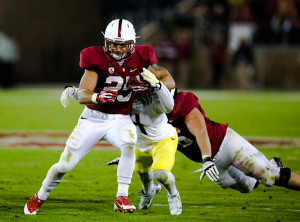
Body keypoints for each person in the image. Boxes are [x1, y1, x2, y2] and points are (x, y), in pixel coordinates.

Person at [24, 18, 175, 215]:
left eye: (123, 45)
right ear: (106, 42)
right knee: (65, 164)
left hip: (121, 118)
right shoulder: (95, 58)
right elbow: (83, 94)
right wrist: (98, 96)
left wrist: (153, 84)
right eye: (114, 44)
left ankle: (121, 196)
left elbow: (167, 79)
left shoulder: (142, 57)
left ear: (132, 44)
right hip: (94, 118)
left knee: (130, 143)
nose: (119, 49)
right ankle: (40, 196)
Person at [107, 89, 300, 193]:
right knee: (246, 187)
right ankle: (266, 170)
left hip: (224, 144)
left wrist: (207, 158)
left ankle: (273, 168)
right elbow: (151, 144)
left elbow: (200, 132)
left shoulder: (182, 102)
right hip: (207, 162)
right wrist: (129, 156)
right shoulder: (148, 119)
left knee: (270, 176)